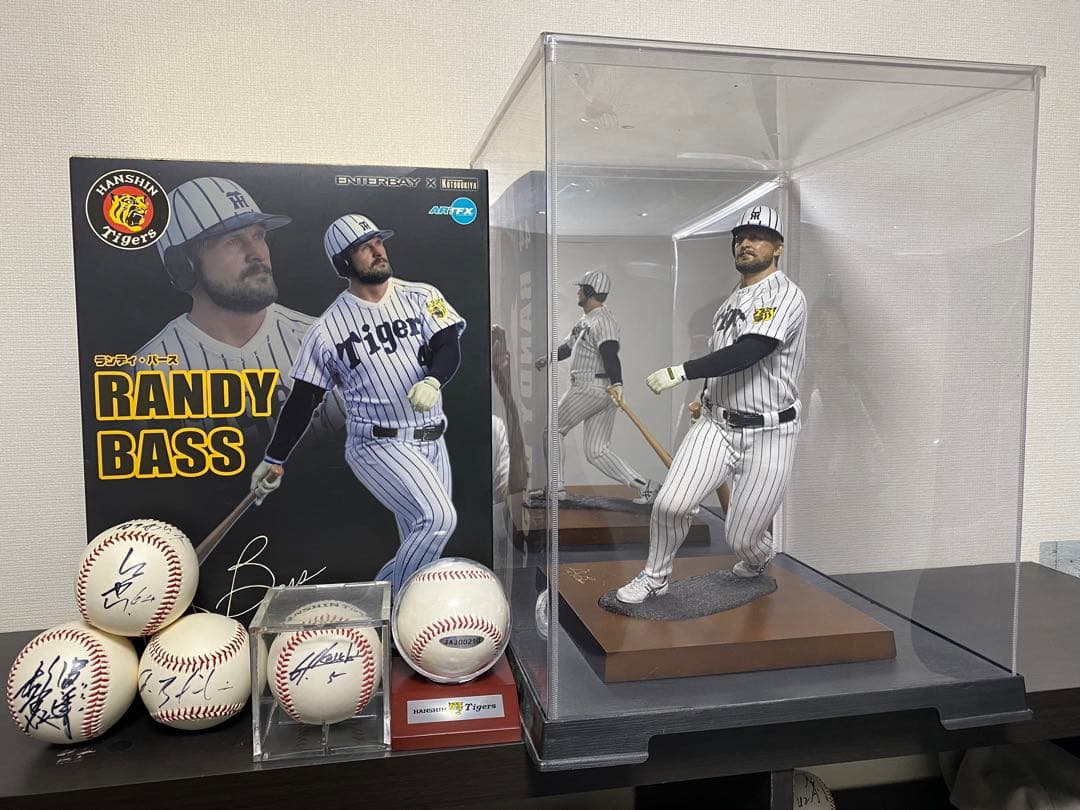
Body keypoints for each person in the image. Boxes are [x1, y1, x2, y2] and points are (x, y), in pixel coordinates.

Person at [249, 213, 466, 595]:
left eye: (378, 241)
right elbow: (304, 399)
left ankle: (376, 601)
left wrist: (434, 378)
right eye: (364, 247)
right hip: (378, 443)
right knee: (437, 519)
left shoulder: (421, 295)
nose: (378, 250)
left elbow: (448, 345)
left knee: (421, 541)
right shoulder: (327, 329)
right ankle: (396, 608)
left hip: (433, 439)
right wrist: (275, 457)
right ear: (343, 262)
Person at [616, 204, 807, 603]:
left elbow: (751, 351)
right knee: (671, 504)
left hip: (770, 431)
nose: (746, 242)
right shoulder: (731, 301)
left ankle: (760, 557)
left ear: (778, 247)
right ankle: (654, 577)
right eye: (740, 237)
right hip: (716, 425)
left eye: (758, 237)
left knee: (742, 539)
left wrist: (681, 371)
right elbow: (725, 358)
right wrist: (704, 398)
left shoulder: (786, 295)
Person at [135, 176, 344, 440]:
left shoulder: (326, 344)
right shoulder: (146, 372)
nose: (257, 253)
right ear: (183, 266)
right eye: (233, 241)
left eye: (258, 236)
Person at [528, 270, 657, 506]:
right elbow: (568, 347)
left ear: (589, 291)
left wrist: (618, 383)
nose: (578, 292)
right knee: (596, 451)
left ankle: (556, 489)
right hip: (602, 390)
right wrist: (549, 358)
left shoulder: (603, 320)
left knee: (553, 430)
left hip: (591, 386)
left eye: (581, 288)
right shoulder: (586, 319)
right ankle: (645, 486)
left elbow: (610, 352)